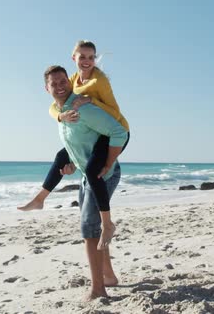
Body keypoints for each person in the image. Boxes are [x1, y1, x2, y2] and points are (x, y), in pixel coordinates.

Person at [18, 41, 129, 251]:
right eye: (82, 57)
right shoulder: (71, 80)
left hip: (116, 129)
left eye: (91, 57)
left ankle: (107, 223)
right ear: (74, 59)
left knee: (95, 170)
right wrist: (61, 116)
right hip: (97, 128)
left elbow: (115, 115)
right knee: (63, 155)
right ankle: (40, 198)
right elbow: (54, 104)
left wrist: (89, 101)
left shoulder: (99, 80)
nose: (87, 61)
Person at [39, 65, 127, 300]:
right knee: (92, 227)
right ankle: (108, 276)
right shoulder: (62, 112)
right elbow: (83, 145)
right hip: (87, 176)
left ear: (69, 81)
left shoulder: (81, 108)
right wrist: (73, 165)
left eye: (62, 81)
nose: (59, 86)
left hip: (103, 175)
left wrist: (107, 163)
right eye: (53, 84)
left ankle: (98, 289)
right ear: (46, 88)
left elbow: (119, 132)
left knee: (89, 229)